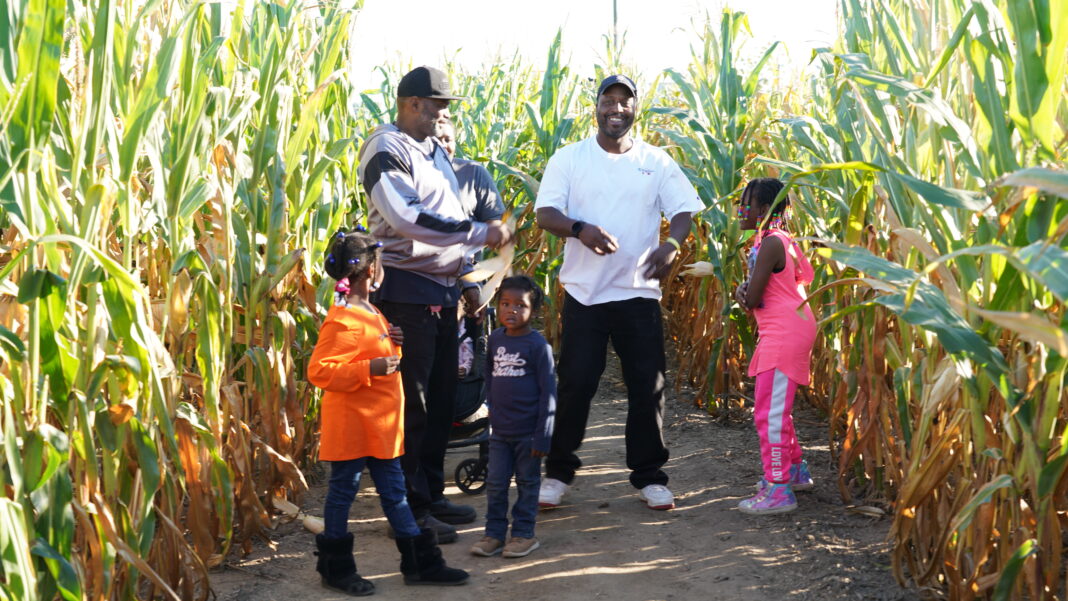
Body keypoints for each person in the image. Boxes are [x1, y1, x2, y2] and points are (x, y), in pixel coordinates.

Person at [533, 74, 702, 511]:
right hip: (585, 294)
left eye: (625, 102)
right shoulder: (571, 158)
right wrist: (580, 229)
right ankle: (558, 473)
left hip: (637, 294)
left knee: (648, 386)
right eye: (609, 100)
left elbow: (684, 210)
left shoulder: (656, 162)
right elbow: (545, 213)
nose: (617, 108)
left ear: (635, 108)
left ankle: (650, 477)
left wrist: (672, 245)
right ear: (597, 107)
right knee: (576, 384)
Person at [357, 66, 512, 541]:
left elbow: (451, 213)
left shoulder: (431, 150)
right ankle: (408, 511)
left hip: (442, 293)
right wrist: (480, 233)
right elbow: (406, 217)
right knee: (413, 406)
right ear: (411, 104)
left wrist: (467, 277)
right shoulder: (386, 148)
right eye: (436, 108)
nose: (441, 117)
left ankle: (430, 495)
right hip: (407, 292)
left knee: (441, 403)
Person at [307, 229, 469, 594]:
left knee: (396, 493)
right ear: (370, 270)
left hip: (380, 426)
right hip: (354, 427)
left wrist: (393, 342)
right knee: (342, 493)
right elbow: (320, 371)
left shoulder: (371, 312)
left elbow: (376, 355)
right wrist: (371, 367)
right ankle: (336, 568)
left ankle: (420, 564)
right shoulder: (343, 319)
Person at [732, 177, 817, 515]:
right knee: (776, 409)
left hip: (783, 332)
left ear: (764, 209)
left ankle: (779, 489)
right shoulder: (779, 238)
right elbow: (801, 277)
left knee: (768, 414)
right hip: (789, 327)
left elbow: (752, 298)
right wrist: (748, 290)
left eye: (746, 205)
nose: (740, 211)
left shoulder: (770, 243)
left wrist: (742, 292)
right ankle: (794, 471)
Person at [468, 275, 556, 559]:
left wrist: (543, 435)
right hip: (500, 432)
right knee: (495, 484)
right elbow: (489, 374)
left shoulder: (538, 346)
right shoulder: (495, 339)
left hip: (528, 433)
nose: (511, 310)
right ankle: (494, 534)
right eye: (505, 303)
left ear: (535, 311)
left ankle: (524, 534)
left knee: (528, 484)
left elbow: (549, 393)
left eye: (520, 305)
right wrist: (492, 408)